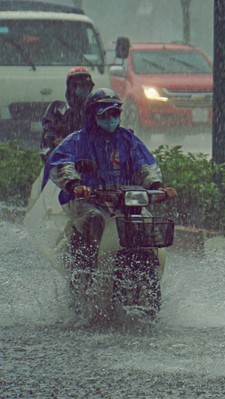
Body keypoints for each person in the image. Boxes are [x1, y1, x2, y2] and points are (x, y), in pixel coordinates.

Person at [46, 88, 177, 298]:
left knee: (145, 222)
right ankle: (85, 272)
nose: (111, 118)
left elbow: (145, 165)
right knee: (94, 219)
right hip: (88, 200)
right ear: (92, 115)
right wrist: (75, 184)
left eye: (115, 113)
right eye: (104, 114)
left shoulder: (127, 140)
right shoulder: (77, 140)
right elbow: (62, 163)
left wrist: (156, 186)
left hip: (122, 199)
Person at [40, 66, 95, 162]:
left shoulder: (96, 111)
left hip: (90, 166)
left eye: (86, 86)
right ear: (70, 88)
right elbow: (48, 141)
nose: (83, 90)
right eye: (79, 85)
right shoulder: (57, 109)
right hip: (62, 165)